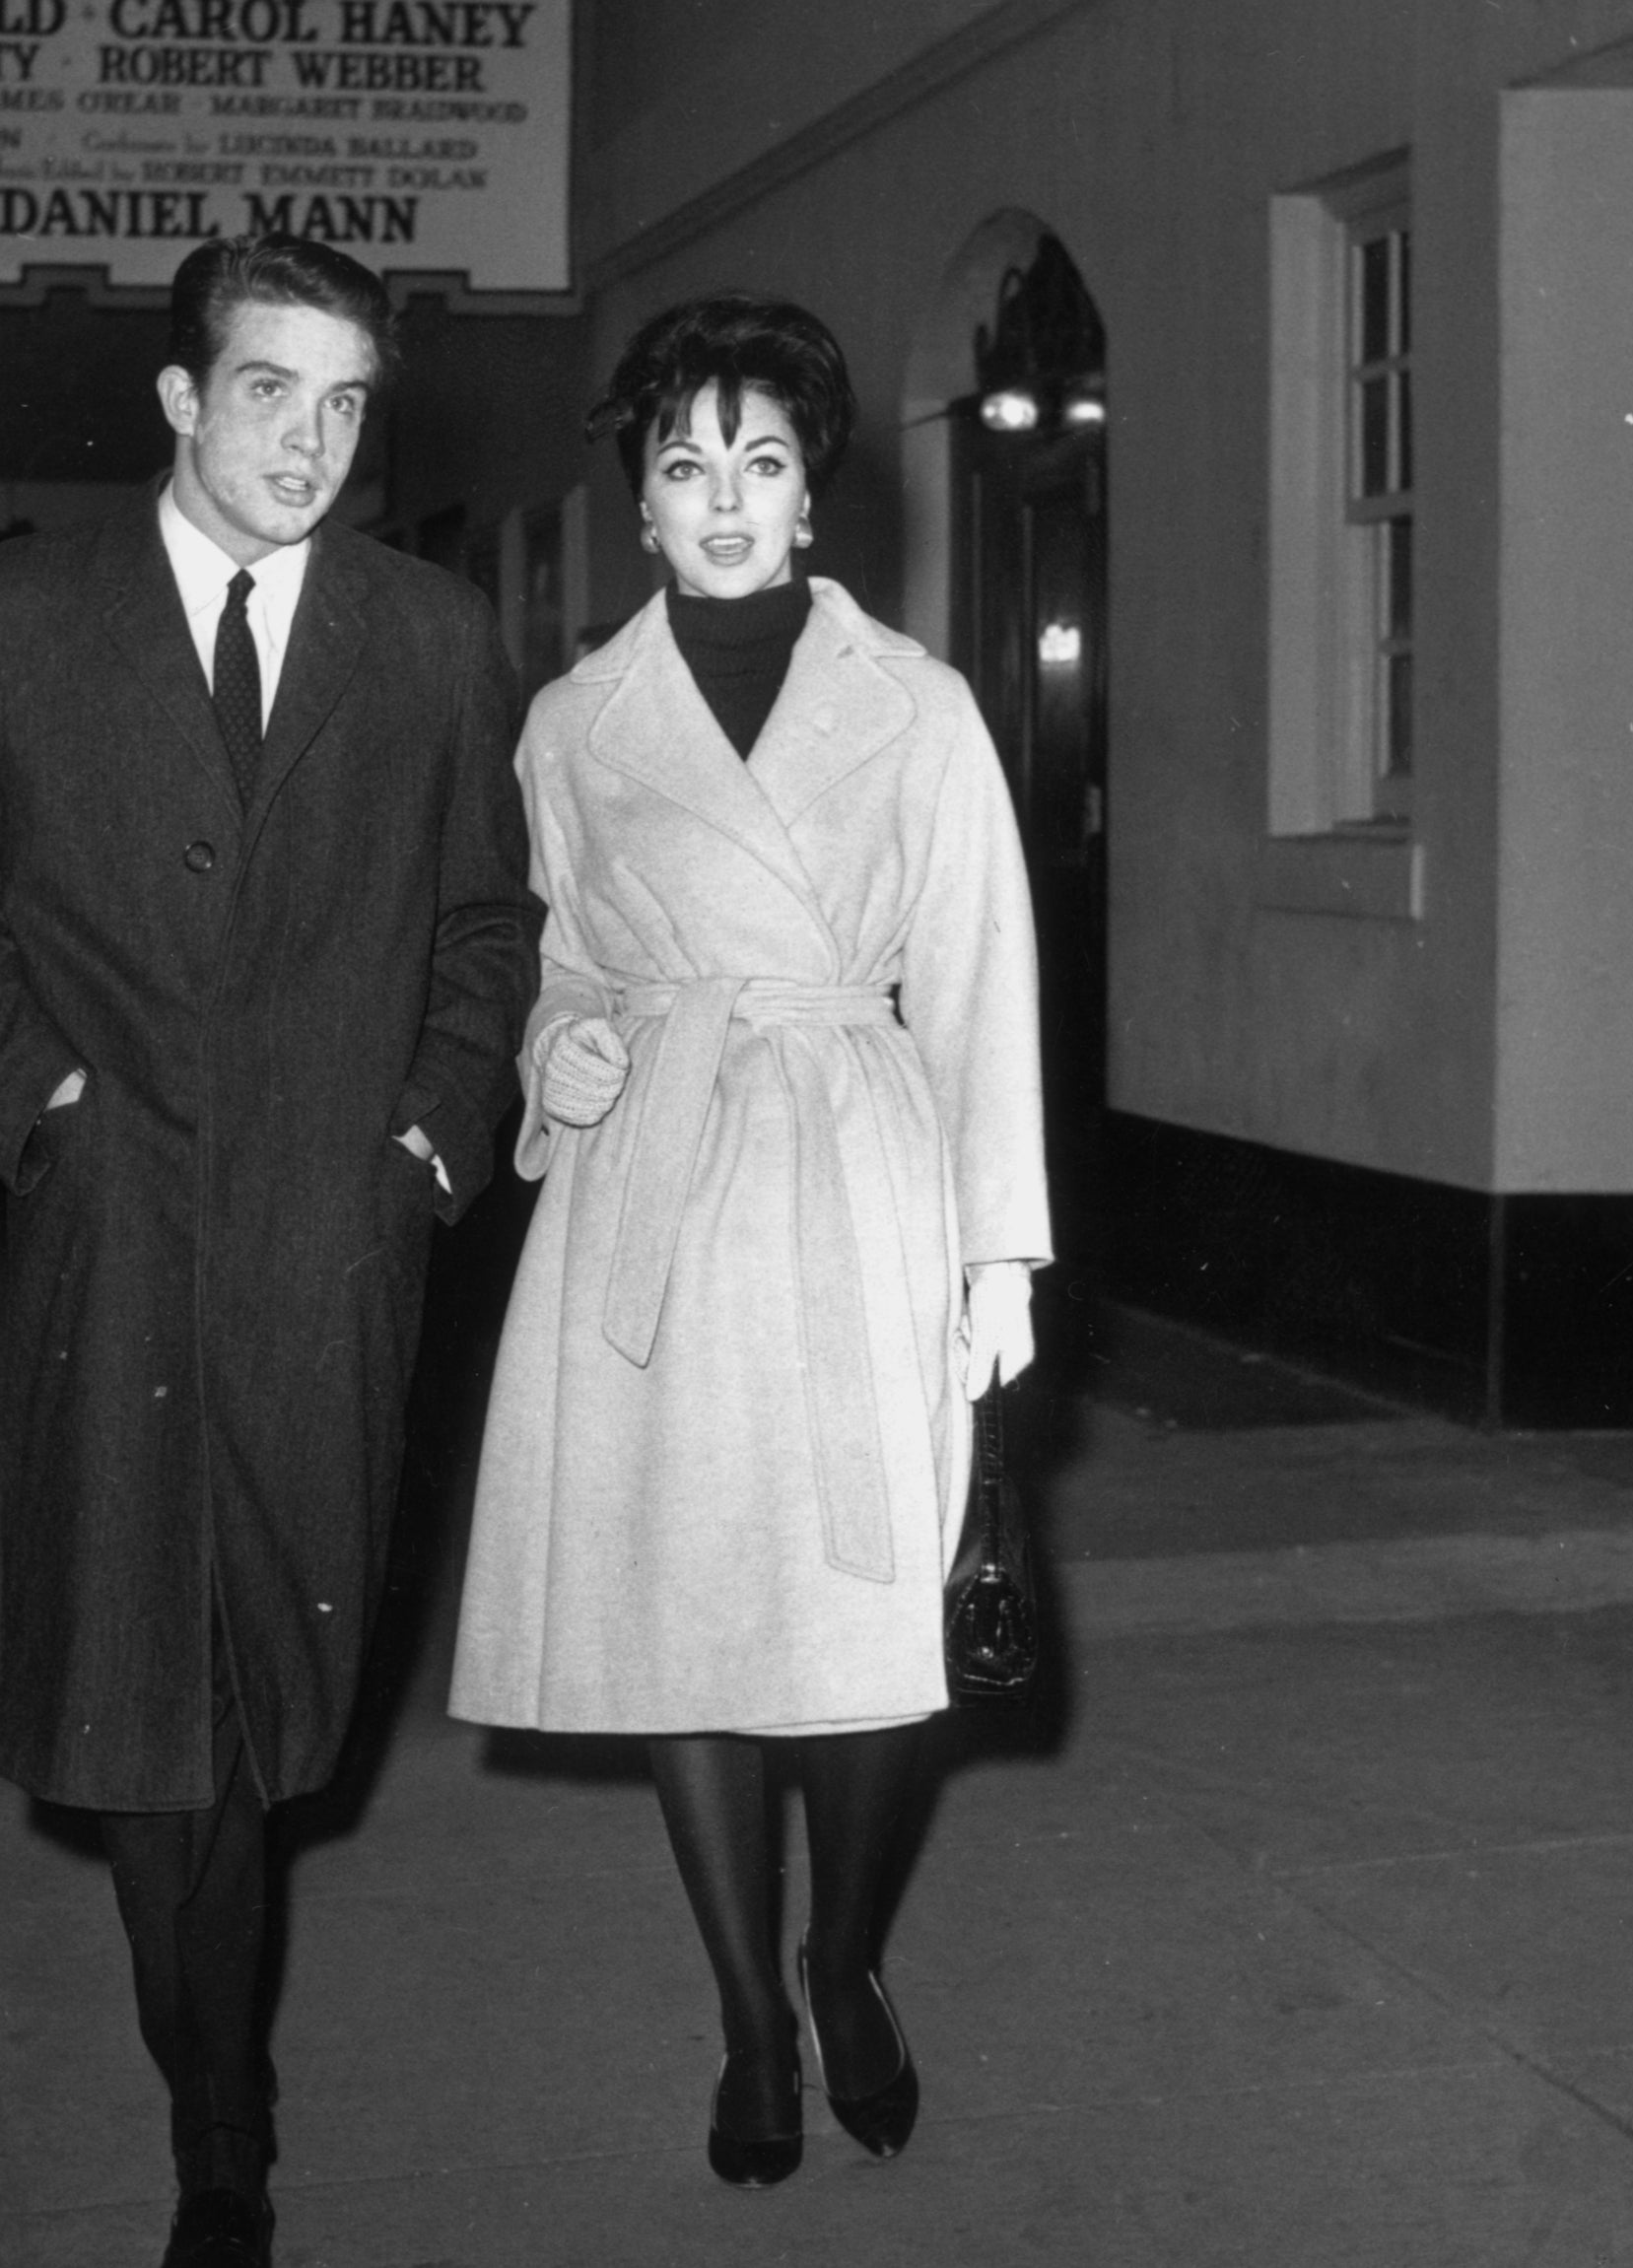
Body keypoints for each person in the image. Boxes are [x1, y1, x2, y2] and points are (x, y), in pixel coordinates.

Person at [0, 233, 536, 2268]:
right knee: (157, 1716)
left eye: (344, 406)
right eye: (267, 392)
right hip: (118, 1244)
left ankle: (214, 2082)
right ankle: (216, 2123)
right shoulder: (12, 623)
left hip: (335, 1246)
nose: (308, 444)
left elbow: (489, 932)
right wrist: (41, 1112)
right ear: (178, 396)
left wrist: (427, 1137)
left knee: (275, 1706)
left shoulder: (428, 639)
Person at [448, 295, 1051, 2187]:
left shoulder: (919, 707)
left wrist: (996, 1261)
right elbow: (542, 954)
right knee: (691, 1622)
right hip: (660, 1185)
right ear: (636, 499)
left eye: (760, 462)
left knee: (865, 1622)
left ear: (812, 498)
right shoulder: (571, 720)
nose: (721, 497)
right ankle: (744, 2016)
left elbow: (972, 980)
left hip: (856, 1169)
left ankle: (843, 1956)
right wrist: (566, 1043)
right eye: (683, 463)